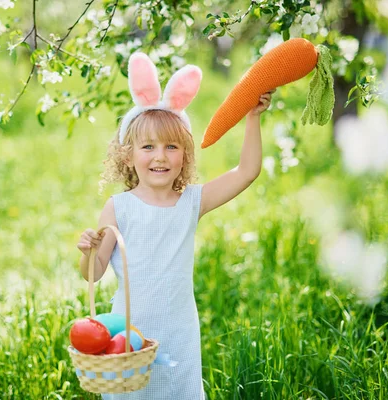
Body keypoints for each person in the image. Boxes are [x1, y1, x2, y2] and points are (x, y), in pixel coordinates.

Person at [76, 52, 273, 399]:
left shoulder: (191, 203)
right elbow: (93, 273)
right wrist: (88, 250)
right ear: (128, 155)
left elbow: (247, 171)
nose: (160, 156)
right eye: (148, 146)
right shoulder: (119, 207)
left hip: (179, 330)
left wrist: (252, 118)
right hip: (129, 335)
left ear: (185, 154)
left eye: (171, 146)